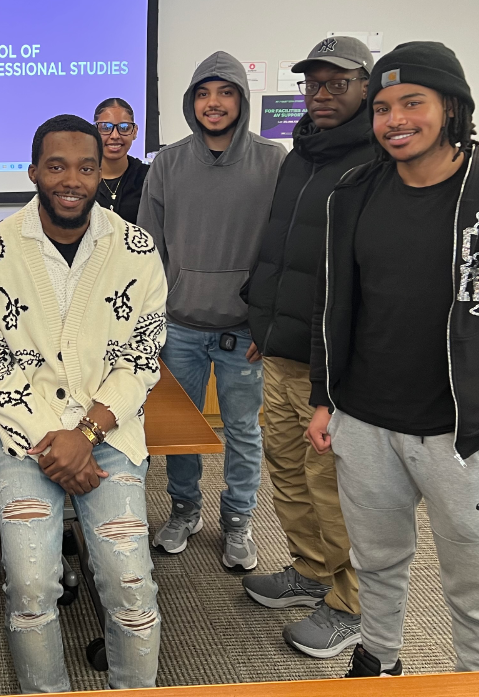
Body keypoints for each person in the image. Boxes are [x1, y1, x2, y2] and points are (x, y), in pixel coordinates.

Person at [307, 42, 479, 678]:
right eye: (381, 107)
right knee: (376, 562)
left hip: (466, 437)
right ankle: (379, 661)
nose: (394, 119)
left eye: (412, 103)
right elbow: (335, 303)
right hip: (365, 423)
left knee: (476, 585)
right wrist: (325, 396)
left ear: (451, 108)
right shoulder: (355, 193)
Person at [0, 114, 167, 692]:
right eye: (56, 166)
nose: (71, 179)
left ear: (102, 171)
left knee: (131, 583)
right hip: (22, 436)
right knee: (30, 585)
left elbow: (141, 357)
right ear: (33, 171)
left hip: (109, 434)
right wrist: (59, 441)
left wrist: (87, 436)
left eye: (85, 166)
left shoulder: (135, 247)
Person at [242, 37, 376, 659]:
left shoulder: (376, 161)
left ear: (365, 87)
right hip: (282, 347)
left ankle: (352, 603)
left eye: (336, 84)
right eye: (313, 84)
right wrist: (261, 323)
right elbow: (281, 248)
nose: (322, 95)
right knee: (288, 471)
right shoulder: (300, 155)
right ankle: (310, 571)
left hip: (331, 362)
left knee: (333, 485)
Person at [137, 52, 285, 570]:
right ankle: (184, 511)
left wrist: (267, 323)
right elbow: (147, 251)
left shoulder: (274, 162)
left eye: (224, 93)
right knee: (180, 429)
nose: (213, 103)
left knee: (244, 431)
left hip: (244, 331)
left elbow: (285, 252)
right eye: (203, 93)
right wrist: (150, 323)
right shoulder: (169, 164)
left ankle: (239, 521)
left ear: (241, 100)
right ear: (190, 103)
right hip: (179, 326)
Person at [93, 97, 149, 223]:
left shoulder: (149, 177)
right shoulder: (82, 177)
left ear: (134, 132)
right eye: (106, 127)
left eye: (124, 127)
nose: (115, 136)